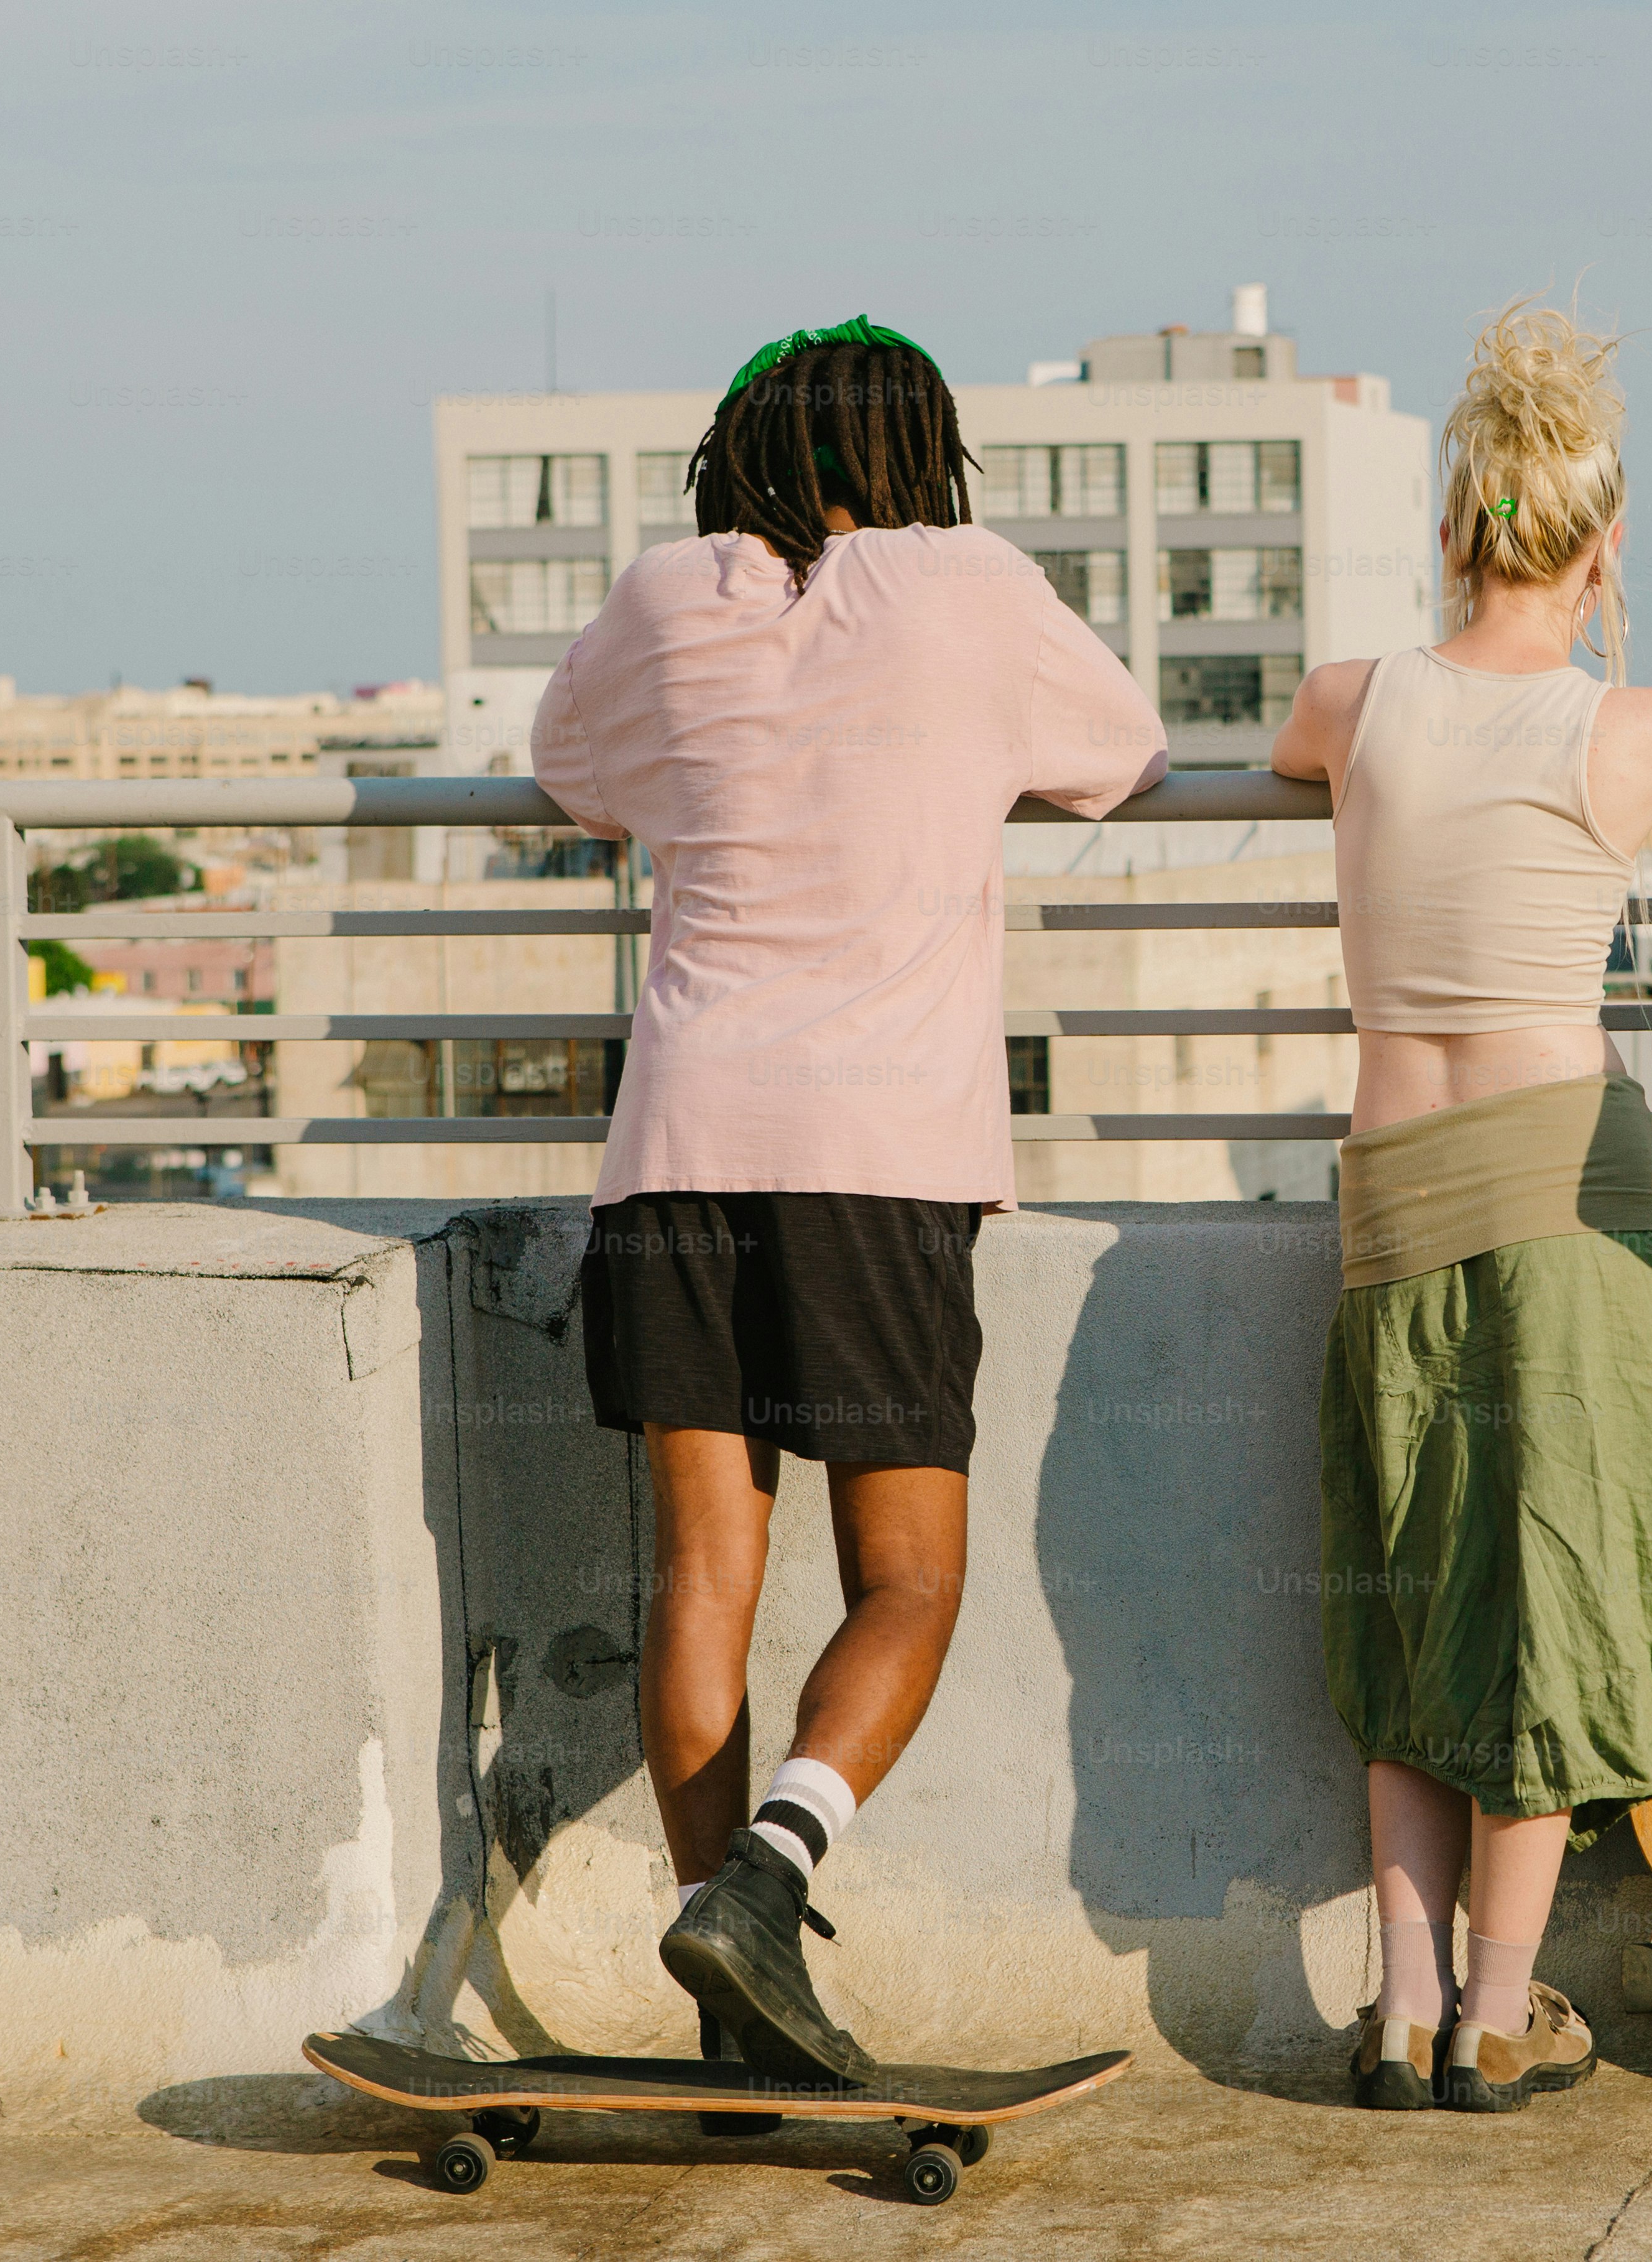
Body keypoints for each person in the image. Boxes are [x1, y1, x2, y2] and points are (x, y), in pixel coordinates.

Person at [530, 317, 1166, 2085]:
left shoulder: (666, 595)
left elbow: (570, 775)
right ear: (924, 457)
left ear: (737, 453)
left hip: (678, 1148)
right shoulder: (972, 585)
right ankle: (772, 1884)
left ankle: (733, 1999)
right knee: (909, 1579)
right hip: (879, 1162)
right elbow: (1123, 748)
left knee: (704, 1582)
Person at [1271, 298, 1652, 2113]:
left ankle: (1395, 2004)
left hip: (1388, 1205)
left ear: (1453, 529)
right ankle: (1497, 2015)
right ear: (1599, 544)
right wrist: (1620, 627)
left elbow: (1308, 754)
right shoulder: (1629, 729)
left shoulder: (1350, 703)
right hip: (1559, 1187)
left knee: (1413, 1599)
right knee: (1546, 1603)